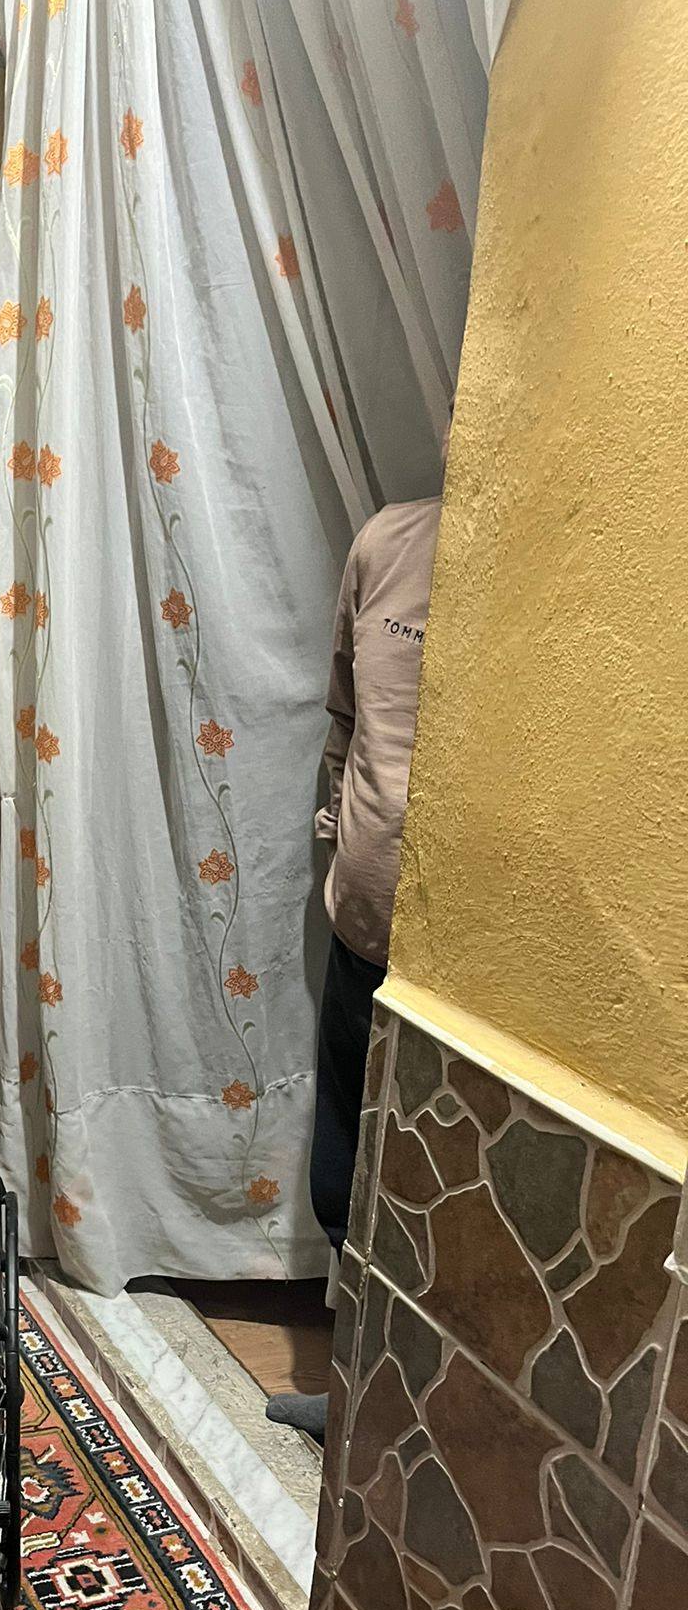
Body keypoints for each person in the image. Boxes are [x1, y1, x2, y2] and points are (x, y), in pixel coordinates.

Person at [268, 463, 445, 1444]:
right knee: (342, 1176)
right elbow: (347, 713)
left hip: (458, 974)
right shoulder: (387, 542)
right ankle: (357, 1399)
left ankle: (414, 1423)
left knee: (433, 1201)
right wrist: (342, 827)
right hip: (361, 928)